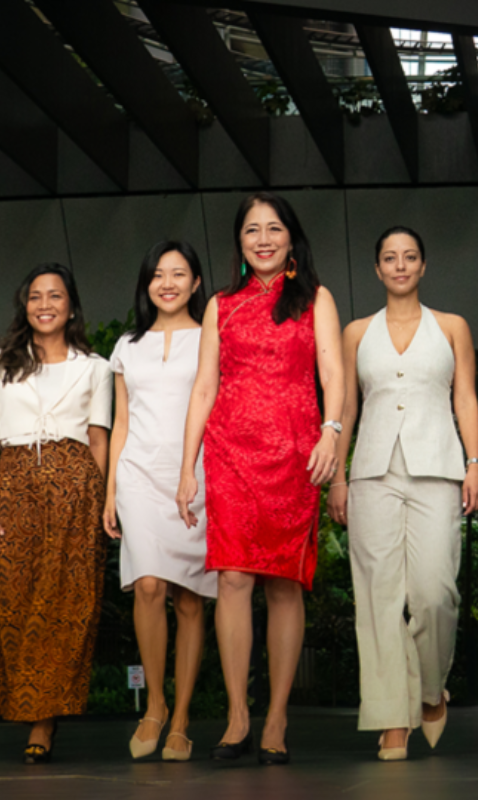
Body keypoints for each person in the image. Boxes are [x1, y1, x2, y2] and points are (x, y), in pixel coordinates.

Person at [177, 192, 344, 765]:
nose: (264, 239)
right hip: (230, 452)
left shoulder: (316, 299)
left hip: (297, 452)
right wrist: (186, 470)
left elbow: (333, 373)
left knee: (283, 584)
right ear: (240, 243)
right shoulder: (220, 305)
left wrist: (333, 432)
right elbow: (203, 387)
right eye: (253, 231)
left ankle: (275, 719)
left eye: (274, 229)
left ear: (291, 239)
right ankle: (237, 717)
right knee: (232, 581)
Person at [328, 226, 478, 760]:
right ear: (377, 269)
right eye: (389, 258)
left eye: (409, 257)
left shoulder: (452, 327)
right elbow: (346, 408)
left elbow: (465, 398)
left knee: (436, 592)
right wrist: (337, 476)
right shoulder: (355, 333)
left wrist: (475, 464)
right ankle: (392, 717)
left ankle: (427, 691)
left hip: (438, 468)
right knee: (378, 599)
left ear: (423, 266)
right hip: (371, 472)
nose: (400, 265)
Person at [103, 241, 217, 761]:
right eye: (157, 274)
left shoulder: (213, 339)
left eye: (179, 273)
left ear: (197, 283)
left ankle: (184, 716)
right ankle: (154, 705)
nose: (167, 282)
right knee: (147, 585)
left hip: (196, 476)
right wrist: (110, 492)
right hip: (139, 475)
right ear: (147, 283)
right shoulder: (128, 345)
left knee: (189, 597)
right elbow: (120, 421)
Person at [0, 264, 112, 763]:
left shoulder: (97, 367)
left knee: (62, 606)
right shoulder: (4, 364)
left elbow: (98, 438)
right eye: (35, 296)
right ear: (24, 305)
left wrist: (97, 500)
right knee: (10, 599)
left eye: (56, 295)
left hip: (73, 491)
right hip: (11, 485)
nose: (45, 304)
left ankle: (42, 721)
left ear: (71, 305)